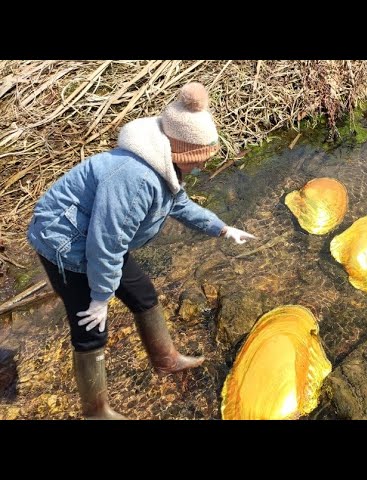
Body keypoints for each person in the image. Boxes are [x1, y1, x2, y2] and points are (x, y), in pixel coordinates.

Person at [26, 82, 257, 419]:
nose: (202, 167)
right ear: (182, 151)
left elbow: (180, 204)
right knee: (91, 327)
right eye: (199, 160)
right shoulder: (134, 178)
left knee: (143, 294)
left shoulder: (163, 163)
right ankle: (96, 411)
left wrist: (222, 228)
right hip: (65, 243)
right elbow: (107, 241)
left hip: (93, 237)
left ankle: (165, 360)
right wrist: (101, 297)